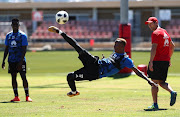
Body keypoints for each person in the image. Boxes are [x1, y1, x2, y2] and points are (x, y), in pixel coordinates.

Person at [48, 26, 157, 97]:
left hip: (95, 73)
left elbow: (137, 71)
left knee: (70, 76)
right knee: (78, 49)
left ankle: (73, 92)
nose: (114, 46)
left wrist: (149, 81)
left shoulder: (126, 60)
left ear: (123, 47)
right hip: (95, 63)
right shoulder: (115, 53)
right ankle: (59, 31)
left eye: (116, 45)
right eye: (114, 44)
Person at [145, 17, 177, 110]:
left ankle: (155, 105)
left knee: (154, 83)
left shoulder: (155, 33)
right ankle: (172, 92)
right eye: (148, 24)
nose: (149, 26)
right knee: (161, 82)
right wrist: (169, 58)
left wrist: (151, 62)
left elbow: (154, 48)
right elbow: (172, 46)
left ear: (156, 23)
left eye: (151, 23)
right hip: (165, 61)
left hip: (157, 61)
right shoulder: (164, 32)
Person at [1, 18, 32, 102]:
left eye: (16, 24)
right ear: (11, 26)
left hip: (20, 60)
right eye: (13, 24)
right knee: (13, 78)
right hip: (11, 60)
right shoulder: (8, 36)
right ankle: (16, 96)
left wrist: (21, 61)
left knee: (23, 77)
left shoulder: (22, 35)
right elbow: (6, 49)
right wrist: (3, 60)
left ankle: (27, 96)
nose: (15, 26)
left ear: (18, 25)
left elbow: (24, 50)